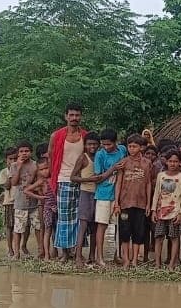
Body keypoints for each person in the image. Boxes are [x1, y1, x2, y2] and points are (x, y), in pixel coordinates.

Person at [48, 103, 87, 260]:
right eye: (71, 115)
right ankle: (64, 253)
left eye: (77, 115)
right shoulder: (56, 136)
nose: (74, 118)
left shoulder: (85, 135)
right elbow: (51, 157)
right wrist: (53, 179)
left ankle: (77, 252)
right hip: (63, 179)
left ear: (81, 117)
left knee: (80, 218)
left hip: (82, 180)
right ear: (66, 116)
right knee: (64, 218)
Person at [112, 134, 155, 268]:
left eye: (134, 146)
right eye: (129, 146)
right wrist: (116, 203)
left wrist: (148, 204)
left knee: (139, 232)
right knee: (125, 232)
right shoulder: (123, 162)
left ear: (141, 147)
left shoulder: (147, 163)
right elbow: (118, 183)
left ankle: (135, 260)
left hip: (141, 204)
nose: (132, 149)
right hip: (125, 204)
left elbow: (148, 183)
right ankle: (126, 260)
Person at [91, 130, 125, 267]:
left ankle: (118, 255)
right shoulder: (100, 155)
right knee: (102, 225)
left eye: (109, 144)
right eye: (103, 144)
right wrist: (113, 168)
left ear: (115, 142)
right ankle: (99, 257)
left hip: (118, 194)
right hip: (103, 195)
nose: (106, 147)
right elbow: (98, 178)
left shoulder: (122, 150)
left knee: (119, 225)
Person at [151, 151, 181, 269]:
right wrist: (153, 210)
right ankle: (157, 263)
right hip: (160, 211)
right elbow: (156, 193)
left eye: (176, 161)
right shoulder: (161, 176)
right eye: (171, 161)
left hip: (175, 212)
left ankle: (172, 264)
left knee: (174, 237)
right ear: (166, 162)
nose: (173, 164)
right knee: (158, 237)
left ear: (179, 163)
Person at [70, 132, 101, 264]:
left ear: (98, 145)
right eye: (89, 144)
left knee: (95, 226)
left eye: (94, 144)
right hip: (85, 193)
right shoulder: (83, 158)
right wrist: (89, 179)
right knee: (82, 225)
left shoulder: (100, 156)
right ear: (85, 145)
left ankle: (92, 256)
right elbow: (73, 177)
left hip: (98, 195)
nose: (92, 146)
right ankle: (78, 256)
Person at [9, 141, 39, 259]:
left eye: (26, 151)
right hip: (20, 203)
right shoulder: (14, 166)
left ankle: (40, 251)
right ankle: (17, 253)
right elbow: (14, 183)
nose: (24, 153)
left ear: (31, 152)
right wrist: (19, 167)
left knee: (38, 227)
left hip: (34, 202)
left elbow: (39, 181)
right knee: (18, 229)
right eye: (21, 151)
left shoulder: (35, 165)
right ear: (18, 153)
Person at [0, 147, 18, 257]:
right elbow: (6, 186)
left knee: (23, 227)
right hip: (9, 202)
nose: (13, 161)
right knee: (9, 226)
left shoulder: (21, 169)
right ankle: (10, 249)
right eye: (10, 159)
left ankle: (21, 247)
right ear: (6, 160)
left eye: (15, 158)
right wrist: (11, 172)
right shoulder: (4, 172)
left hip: (21, 202)